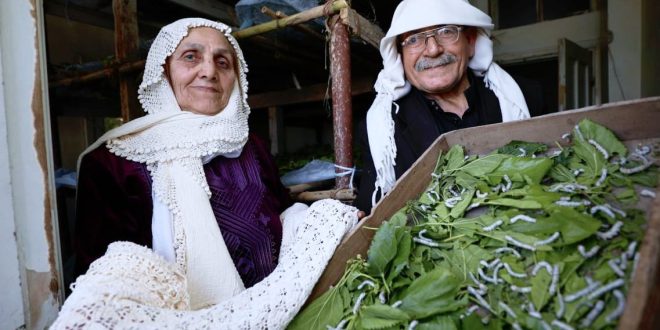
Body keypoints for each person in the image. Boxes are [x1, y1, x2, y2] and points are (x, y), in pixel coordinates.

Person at [73, 18, 294, 309]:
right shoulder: (114, 162)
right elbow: (105, 284)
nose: (209, 71)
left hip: (279, 306)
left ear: (236, 79)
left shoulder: (250, 145)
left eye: (223, 62)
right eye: (191, 57)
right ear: (163, 71)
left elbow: (281, 212)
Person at [355, 0, 544, 214]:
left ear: (470, 41)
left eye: (446, 31)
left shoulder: (524, 97)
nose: (433, 50)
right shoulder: (383, 129)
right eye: (414, 39)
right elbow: (374, 214)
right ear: (400, 56)